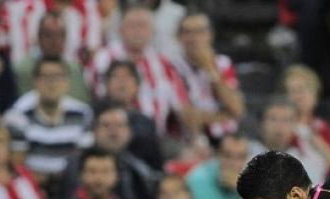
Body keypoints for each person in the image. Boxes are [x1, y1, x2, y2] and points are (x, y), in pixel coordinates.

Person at [87, 6, 190, 137]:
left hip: (155, 139)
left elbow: (182, 107)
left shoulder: (164, 65)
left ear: (152, 31)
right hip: (111, 136)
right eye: (132, 25)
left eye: (143, 26)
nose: (137, 31)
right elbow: (96, 97)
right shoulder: (103, 58)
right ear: (121, 30)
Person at [3, 56, 93, 182]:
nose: (52, 83)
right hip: (31, 185)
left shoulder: (82, 113)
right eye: (45, 77)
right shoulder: (17, 116)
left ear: (67, 82)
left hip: (71, 185)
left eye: (58, 77)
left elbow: (84, 159)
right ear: (35, 82)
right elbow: (17, 165)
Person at [63, 100, 157, 199]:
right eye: (106, 126)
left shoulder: (136, 166)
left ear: (129, 132)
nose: (113, 132)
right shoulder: (78, 164)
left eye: (119, 125)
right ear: (94, 131)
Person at [172, 12, 244, 141]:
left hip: (227, 137)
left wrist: (210, 69)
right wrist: (224, 115)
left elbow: (237, 109)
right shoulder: (172, 67)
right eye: (187, 32)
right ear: (179, 37)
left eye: (199, 31)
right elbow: (189, 117)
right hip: (192, 139)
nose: (193, 38)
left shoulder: (223, 63)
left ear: (210, 35)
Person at [281, 65, 330, 177]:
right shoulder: (280, 125)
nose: (297, 97)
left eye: (301, 90)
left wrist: (318, 142)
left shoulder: (321, 127)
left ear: (314, 95)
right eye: (291, 91)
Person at [13, 11, 90, 102]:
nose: (55, 41)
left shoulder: (74, 69)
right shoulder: (22, 69)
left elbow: (82, 104)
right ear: (39, 38)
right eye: (48, 35)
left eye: (60, 35)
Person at [102, 60, 162, 171]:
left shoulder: (146, 122)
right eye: (115, 77)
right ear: (106, 85)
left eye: (127, 77)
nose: (122, 82)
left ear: (137, 86)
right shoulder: (93, 114)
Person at [260, 99, 327, 183]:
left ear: (294, 126)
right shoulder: (244, 153)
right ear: (262, 124)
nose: (279, 126)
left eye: (285, 120)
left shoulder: (309, 162)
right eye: (273, 119)